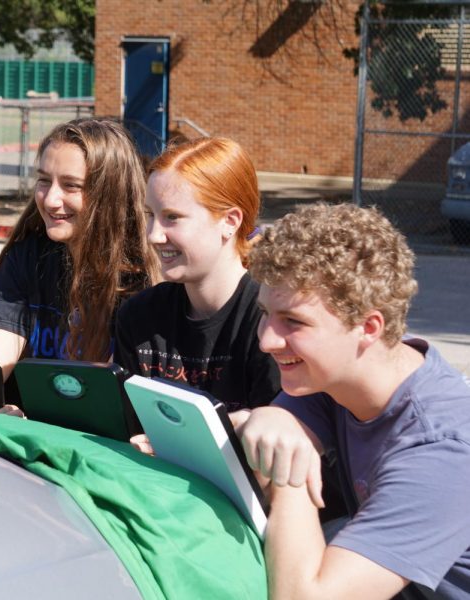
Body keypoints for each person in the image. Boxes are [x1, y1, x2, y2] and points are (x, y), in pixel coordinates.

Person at [238, 203, 470, 599]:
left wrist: (288, 472)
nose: (266, 340)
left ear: (368, 326)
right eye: (265, 314)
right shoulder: (334, 381)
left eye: (293, 321)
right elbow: (255, 437)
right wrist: (264, 419)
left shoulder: (443, 449)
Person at [0, 118, 158, 414]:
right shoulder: (28, 255)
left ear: (109, 194)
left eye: (71, 186)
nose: (51, 199)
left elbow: (106, 405)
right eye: (44, 180)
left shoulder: (142, 278)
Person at [114, 137, 280, 435]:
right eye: (151, 215)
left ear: (229, 221)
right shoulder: (139, 316)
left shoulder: (270, 320)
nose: (153, 235)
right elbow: (130, 426)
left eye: (172, 217)